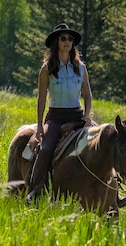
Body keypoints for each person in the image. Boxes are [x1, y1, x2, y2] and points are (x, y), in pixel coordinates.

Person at [27, 22, 93, 203]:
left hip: (78, 116)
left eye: (70, 39)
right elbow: (41, 99)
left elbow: (87, 95)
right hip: (55, 118)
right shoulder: (46, 69)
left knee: (104, 141)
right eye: (63, 38)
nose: (67, 41)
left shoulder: (81, 68)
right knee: (46, 148)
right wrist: (40, 125)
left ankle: (114, 191)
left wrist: (87, 115)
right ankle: (36, 188)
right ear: (56, 42)